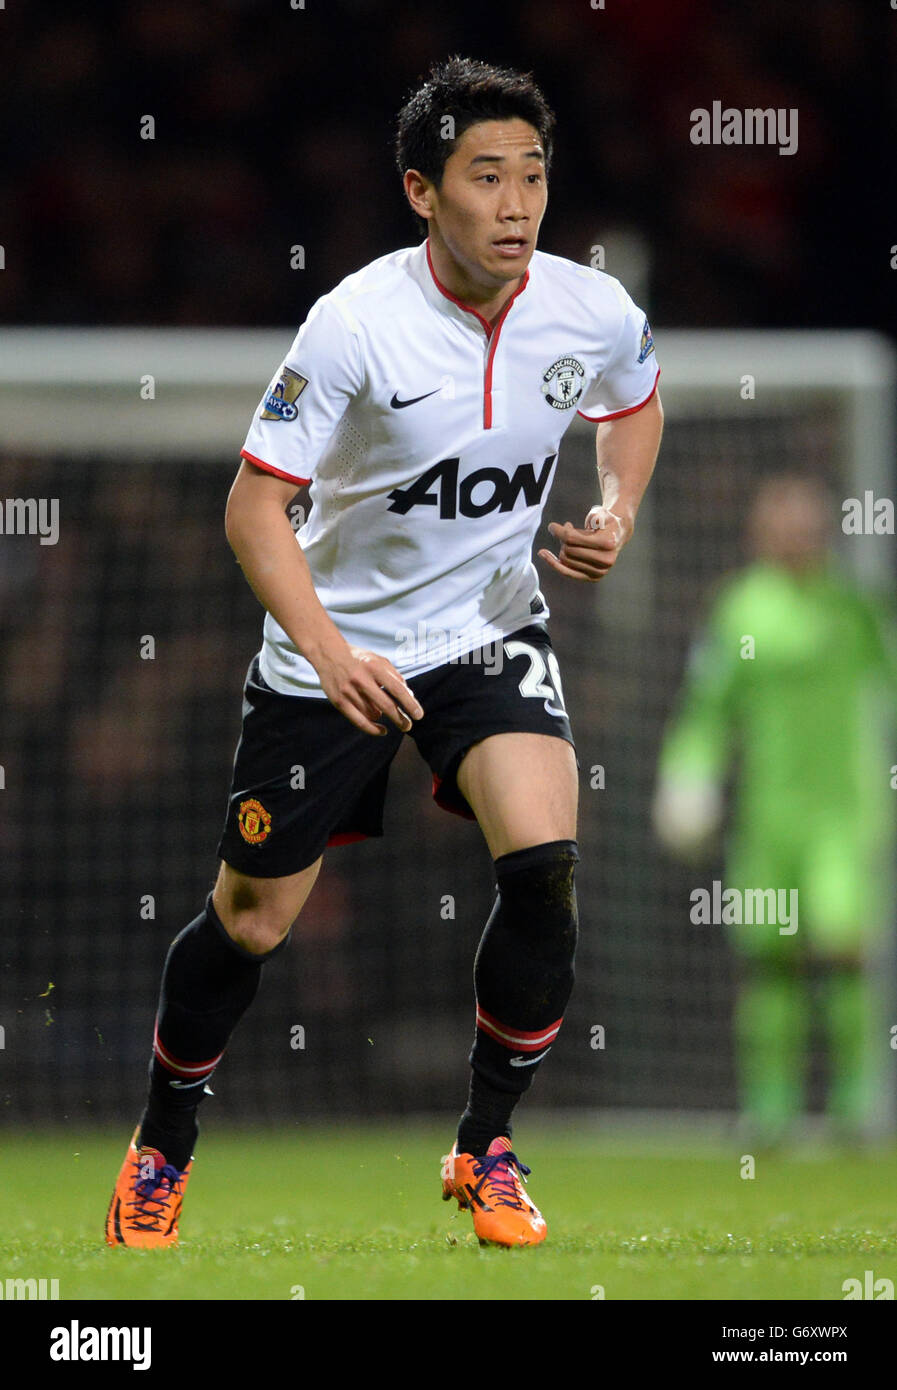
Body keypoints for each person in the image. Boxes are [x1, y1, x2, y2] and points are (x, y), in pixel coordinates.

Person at [106, 56, 663, 1250]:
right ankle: (162, 1143)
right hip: (333, 654)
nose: (517, 205)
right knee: (251, 922)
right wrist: (328, 650)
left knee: (547, 867)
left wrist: (614, 509)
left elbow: (635, 397)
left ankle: (486, 1143)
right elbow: (255, 510)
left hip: (489, 629)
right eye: (485, 178)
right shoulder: (353, 323)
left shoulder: (589, 307)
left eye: (533, 176)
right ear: (421, 191)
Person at [653, 474, 897, 1145]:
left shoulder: (852, 607)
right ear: (758, 533)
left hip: (843, 813)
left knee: (842, 941)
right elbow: (706, 707)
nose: (794, 535)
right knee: (770, 957)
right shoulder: (738, 609)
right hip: (767, 819)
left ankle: (855, 1105)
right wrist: (688, 776)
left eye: (805, 523)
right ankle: (769, 1109)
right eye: (780, 523)